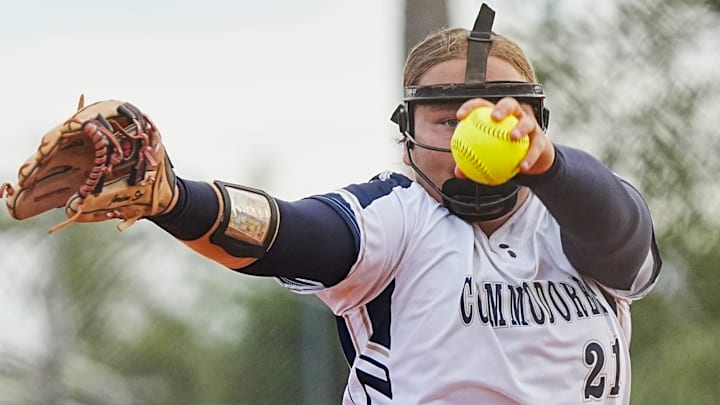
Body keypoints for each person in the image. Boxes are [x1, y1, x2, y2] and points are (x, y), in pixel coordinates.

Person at [7, 4, 661, 404]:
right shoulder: (403, 212)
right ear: (407, 134)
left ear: (536, 121)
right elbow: (299, 233)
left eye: (493, 110)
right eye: (444, 117)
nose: (469, 132)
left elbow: (622, 238)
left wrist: (549, 165)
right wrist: (176, 199)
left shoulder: (579, 209)